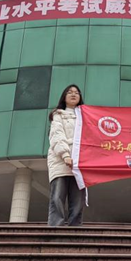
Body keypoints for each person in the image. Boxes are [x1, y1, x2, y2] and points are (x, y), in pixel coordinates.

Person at [47, 84, 85, 227]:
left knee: (78, 200)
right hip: (60, 161)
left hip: (80, 162)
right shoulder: (58, 115)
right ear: (64, 97)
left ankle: (75, 230)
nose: (73, 94)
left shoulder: (85, 116)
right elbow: (57, 136)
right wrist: (65, 155)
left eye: (77, 92)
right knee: (57, 197)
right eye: (70, 92)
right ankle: (55, 228)